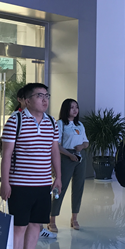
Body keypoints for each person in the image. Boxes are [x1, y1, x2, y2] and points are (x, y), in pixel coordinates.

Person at [0, 83, 62, 249]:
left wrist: (58, 177)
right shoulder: (15, 121)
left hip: (43, 184)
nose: (45, 100)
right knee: (19, 227)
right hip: (20, 185)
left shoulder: (51, 122)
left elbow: (54, 151)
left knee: (36, 225)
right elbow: (6, 155)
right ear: (27, 100)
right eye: (39, 96)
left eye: (47, 95)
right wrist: (5, 182)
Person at [49, 98, 89, 232]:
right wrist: (70, 155)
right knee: (59, 188)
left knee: (78, 188)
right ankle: (52, 219)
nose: (75, 110)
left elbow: (86, 142)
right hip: (66, 157)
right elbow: (56, 145)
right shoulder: (60, 124)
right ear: (66, 109)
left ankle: (74, 218)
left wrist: (82, 146)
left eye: (76, 107)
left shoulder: (80, 125)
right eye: (72, 107)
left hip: (80, 157)